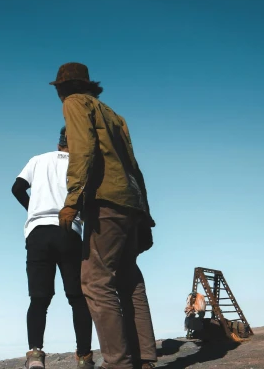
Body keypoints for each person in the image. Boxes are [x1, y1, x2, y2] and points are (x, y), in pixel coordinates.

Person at [52, 62, 157, 369]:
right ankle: (145, 358)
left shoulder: (74, 103)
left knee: (96, 282)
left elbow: (82, 150)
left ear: (64, 88)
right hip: (130, 201)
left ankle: (119, 363)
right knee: (129, 278)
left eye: (58, 88)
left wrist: (72, 201)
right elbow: (133, 165)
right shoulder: (113, 114)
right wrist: (145, 214)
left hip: (105, 201)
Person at [11, 127, 94, 369]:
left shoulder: (37, 160)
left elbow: (16, 188)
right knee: (77, 298)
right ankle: (84, 357)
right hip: (69, 231)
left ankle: (35, 355)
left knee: (39, 299)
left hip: (38, 232)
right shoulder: (81, 166)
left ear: (59, 144)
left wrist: (34, 210)